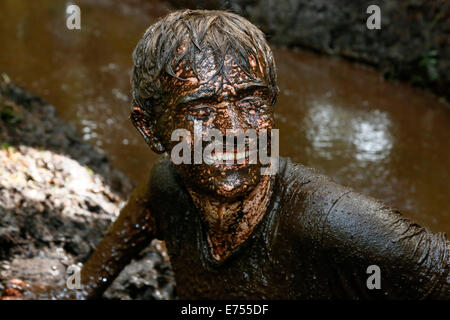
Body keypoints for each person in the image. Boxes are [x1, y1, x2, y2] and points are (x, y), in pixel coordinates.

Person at [76, 9, 449, 299]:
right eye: (202, 110)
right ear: (149, 129)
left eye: (252, 103)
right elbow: (82, 285)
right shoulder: (165, 188)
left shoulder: (334, 222)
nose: (235, 131)